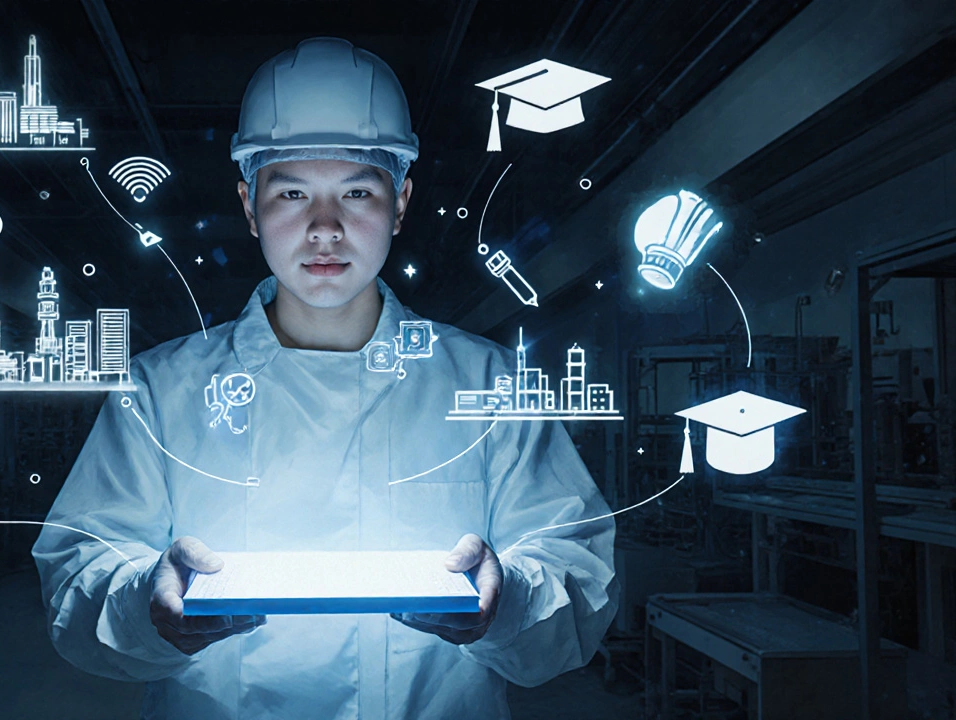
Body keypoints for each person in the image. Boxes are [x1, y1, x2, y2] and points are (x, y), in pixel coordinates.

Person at [33, 37, 617, 720]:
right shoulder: (161, 393)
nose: (325, 228)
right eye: (292, 193)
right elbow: (75, 577)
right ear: (249, 206)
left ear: (401, 202)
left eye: (357, 192)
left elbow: (581, 574)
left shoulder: (486, 384)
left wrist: (508, 596)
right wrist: (144, 600)